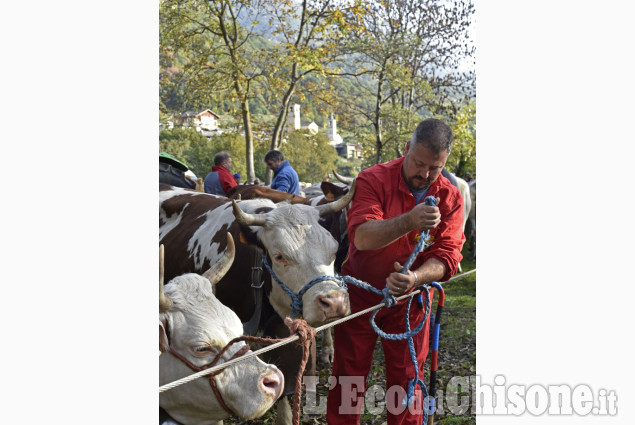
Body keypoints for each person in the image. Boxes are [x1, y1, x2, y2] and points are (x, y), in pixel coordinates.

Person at [326, 118, 465, 425]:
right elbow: (361, 236)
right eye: (418, 163)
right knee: (348, 378)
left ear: (445, 163)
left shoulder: (451, 197)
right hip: (361, 296)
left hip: (412, 301)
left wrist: (415, 278)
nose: (424, 174)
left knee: (407, 382)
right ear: (406, 149)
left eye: (435, 168)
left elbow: (448, 256)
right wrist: (409, 221)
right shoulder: (373, 179)